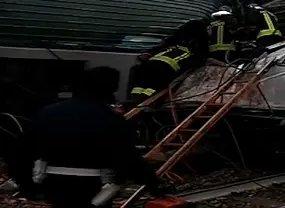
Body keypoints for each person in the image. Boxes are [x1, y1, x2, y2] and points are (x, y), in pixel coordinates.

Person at [30, 66, 172, 208]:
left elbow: (27, 148)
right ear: (111, 87)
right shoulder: (108, 115)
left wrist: (27, 184)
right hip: (92, 182)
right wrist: (153, 183)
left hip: (52, 181)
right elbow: (125, 154)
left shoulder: (48, 112)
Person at [127, 19, 209, 108]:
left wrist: (149, 53)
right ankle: (144, 102)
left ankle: (134, 101)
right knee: (154, 87)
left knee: (140, 85)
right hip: (166, 67)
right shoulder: (200, 41)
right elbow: (198, 59)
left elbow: (164, 44)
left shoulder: (177, 38)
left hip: (150, 63)